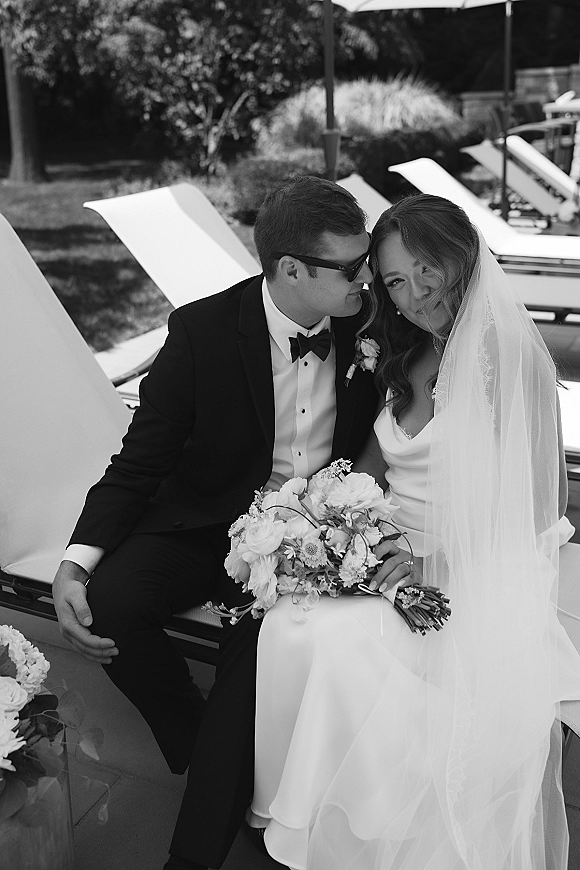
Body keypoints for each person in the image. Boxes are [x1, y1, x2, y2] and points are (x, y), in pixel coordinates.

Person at [51, 175, 383, 870]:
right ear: (291, 270)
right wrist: (75, 561)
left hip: (312, 540)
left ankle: (196, 847)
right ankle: (205, 746)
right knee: (111, 603)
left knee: (250, 667)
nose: (368, 276)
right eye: (352, 265)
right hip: (205, 522)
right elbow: (141, 459)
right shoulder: (202, 331)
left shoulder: (374, 324)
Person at [247, 194, 580, 870]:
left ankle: (371, 828)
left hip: (478, 566)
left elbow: (539, 504)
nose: (416, 293)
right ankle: (321, 824)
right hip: (393, 556)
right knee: (288, 625)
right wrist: (324, 530)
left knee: (329, 642)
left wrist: (436, 564)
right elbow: (368, 475)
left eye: (426, 268)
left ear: (462, 257)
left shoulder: (509, 356)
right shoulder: (407, 356)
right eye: (396, 281)